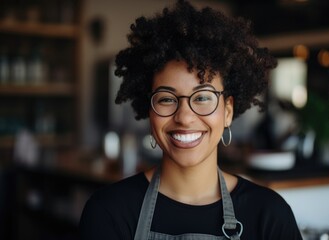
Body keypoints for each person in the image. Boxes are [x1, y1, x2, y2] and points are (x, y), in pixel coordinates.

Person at [79, 1, 303, 239]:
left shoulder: (269, 215)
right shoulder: (109, 212)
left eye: (203, 97)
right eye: (166, 99)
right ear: (150, 111)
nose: (184, 117)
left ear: (228, 111)